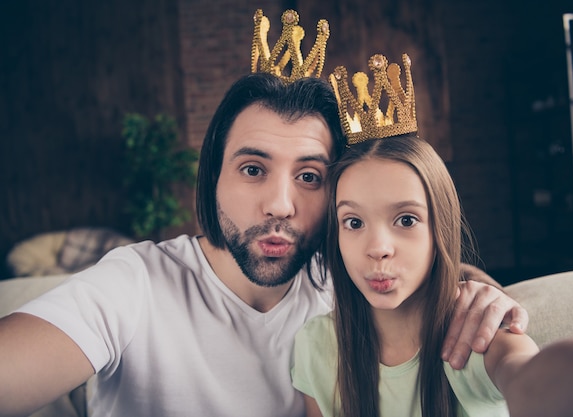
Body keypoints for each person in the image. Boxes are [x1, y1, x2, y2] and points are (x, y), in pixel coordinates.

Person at [0, 11, 528, 417]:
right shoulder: (133, 285)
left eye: (309, 177)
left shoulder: (346, 285)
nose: (280, 204)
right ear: (213, 178)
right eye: (253, 169)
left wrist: (475, 285)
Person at [291, 53, 573, 417]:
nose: (378, 249)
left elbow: (531, 377)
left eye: (405, 220)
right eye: (354, 223)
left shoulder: (474, 334)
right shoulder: (317, 344)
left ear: (441, 228)